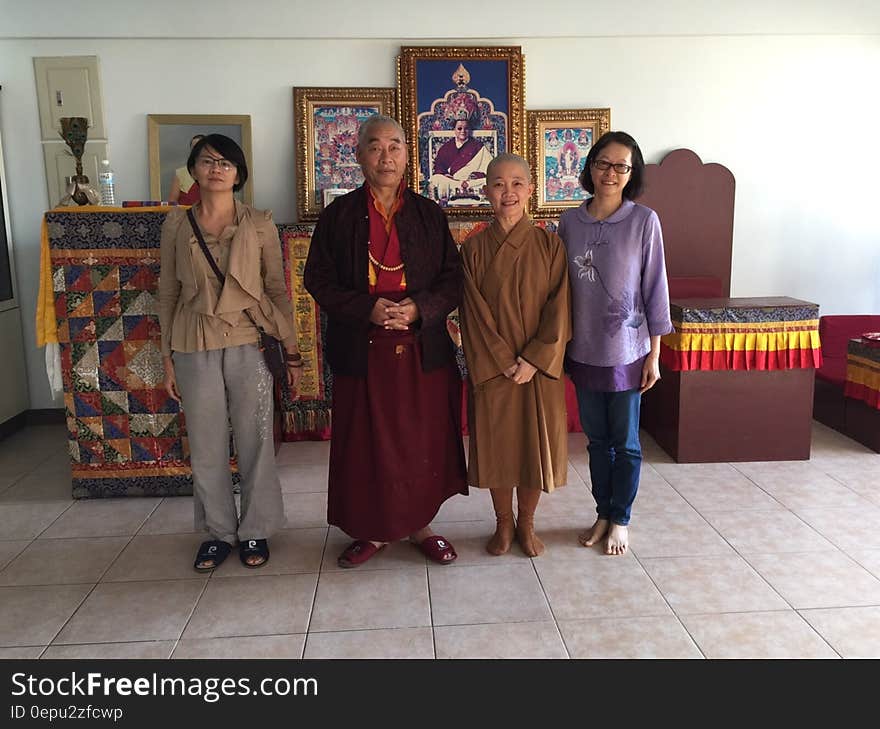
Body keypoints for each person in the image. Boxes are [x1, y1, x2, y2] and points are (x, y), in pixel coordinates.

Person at [304, 114, 467, 568]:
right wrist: (366, 308)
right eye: (375, 146)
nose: (386, 156)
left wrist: (418, 308)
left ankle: (421, 526)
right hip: (362, 346)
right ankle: (372, 530)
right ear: (358, 156)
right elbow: (315, 278)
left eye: (394, 146)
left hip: (420, 347)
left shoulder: (429, 214)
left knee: (420, 441)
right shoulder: (339, 215)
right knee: (366, 444)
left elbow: (453, 281)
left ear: (407, 155)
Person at [158, 134, 302, 571]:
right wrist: (167, 357)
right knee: (205, 444)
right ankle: (219, 532)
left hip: (248, 339)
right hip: (193, 341)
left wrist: (291, 351)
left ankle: (255, 529)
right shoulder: (176, 225)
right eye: (207, 161)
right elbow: (167, 291)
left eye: (226, 163)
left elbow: (276, 289)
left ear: (239, 174)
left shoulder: (260, 224)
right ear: (194, 168)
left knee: (256, 437)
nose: (216, 168)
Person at [557, 131, 673, 556]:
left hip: (628, 352)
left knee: (624, 442)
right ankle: (602, 512)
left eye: (621, 166)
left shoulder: (644, 221)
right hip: (583, 349)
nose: (610, 173)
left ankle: (621, 517)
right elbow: (558, 288)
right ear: (589, 167)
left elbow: (655, 288)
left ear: (631, 173)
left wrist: (654, 355)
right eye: (603, 163)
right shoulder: (569, 222)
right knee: (596, 441)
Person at [459, 153, 571, 557]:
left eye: (517, 183)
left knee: (531, 448)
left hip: (537, 369)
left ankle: (527, 524)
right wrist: (504, 361)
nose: (508, 192)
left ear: (531, 190)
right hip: (495, 369)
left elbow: (560, 308)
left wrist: (534, 359)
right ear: (486, 190)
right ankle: (502, 525)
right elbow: (472, 314)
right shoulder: (472, 250)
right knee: (498, 447)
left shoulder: (549, 245)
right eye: (499, 184)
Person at [429, 116, 493, 200]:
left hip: (471, 182)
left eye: (466, 128)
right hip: (453, 181)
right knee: (436, 178)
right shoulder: (446, 147)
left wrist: (477, 175)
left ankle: (463, 186)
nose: (463, 131)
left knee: (489, 181)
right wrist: (445, 174)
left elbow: (491, 169)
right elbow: (438, 167)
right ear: (454, 130)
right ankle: (460, 186)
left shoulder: (477, 146)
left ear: (469, 130)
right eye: (459, 128)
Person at [168, 134, 205, 205]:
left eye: (199, 147)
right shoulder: (180, 173)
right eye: (194, 148)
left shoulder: (214, 171)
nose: (196, 151)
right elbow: (172, 202)